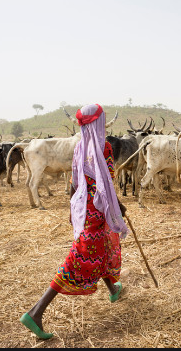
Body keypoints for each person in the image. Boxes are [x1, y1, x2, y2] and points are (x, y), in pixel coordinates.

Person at [20, 104, 129, 340]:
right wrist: (117, 207)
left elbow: (74, 182)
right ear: (97, 123)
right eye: (103, 119)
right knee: (78, 259)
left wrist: (74, 211)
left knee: (101, 250)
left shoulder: (80, 147)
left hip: (84, 210)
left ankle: (112, 288)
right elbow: (106, 185)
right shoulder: (105, 148)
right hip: (98, 214)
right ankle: (36, 312)